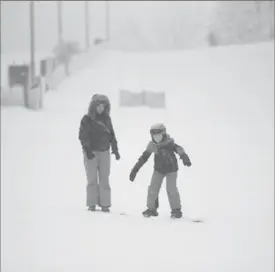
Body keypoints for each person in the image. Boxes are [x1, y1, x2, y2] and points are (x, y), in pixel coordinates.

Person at [129, 123, 191, 218]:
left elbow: (178, 149)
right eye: (154, 136)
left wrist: (184, 156)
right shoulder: (152, 145)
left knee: (171, 189)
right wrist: (135, 170)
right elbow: (143, 158)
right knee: (152, 189)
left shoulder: (169, 143)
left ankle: (176, 210)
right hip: (158, 169)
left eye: (158, 135)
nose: (156, 138)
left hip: (171, 169)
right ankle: (151, 209)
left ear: (164, 134)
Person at [78, 94, 120, 212]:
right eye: (98, 106)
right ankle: (92, 204)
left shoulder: (107, 119)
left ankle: (105, 204)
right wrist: (88, 150)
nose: (101, 109)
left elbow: (111, 135)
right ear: (93, 106)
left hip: (104, 152)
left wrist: (115, 149)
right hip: (90, 153)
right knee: (92, 179)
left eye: (103, 106)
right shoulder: (86, 120)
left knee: (104, 179)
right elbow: (83, 136)